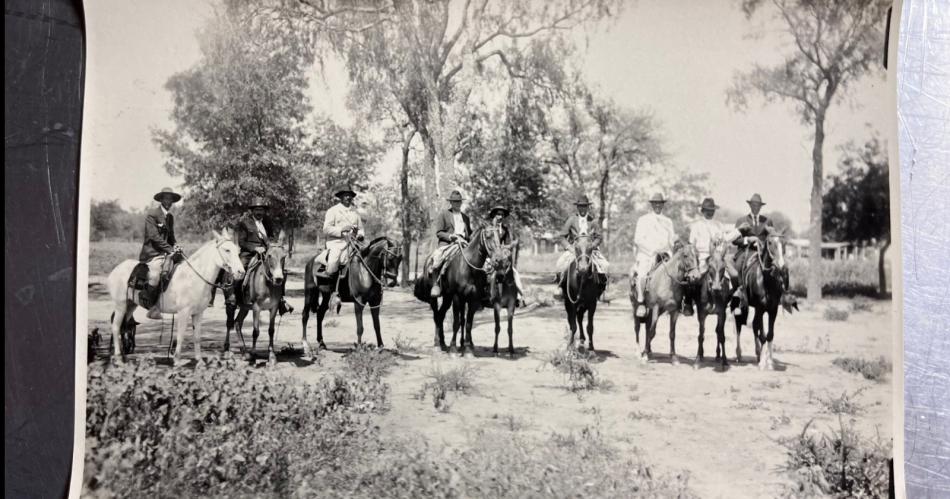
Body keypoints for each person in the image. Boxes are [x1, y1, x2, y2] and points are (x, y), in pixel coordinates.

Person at [235, 197, 292, 315]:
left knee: (281, 270)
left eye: (261, 210)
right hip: (249, 253)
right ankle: (237, 298)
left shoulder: (267, 222)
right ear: (252, 211)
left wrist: (273, 245)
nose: (259, 212)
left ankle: (280, 300)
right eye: (257, 209)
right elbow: (242, 242)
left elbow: (270, 237)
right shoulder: (244, 223)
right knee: (241, 270)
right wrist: (255, 248)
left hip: (266, 252)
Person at [686, 197, 741, 314]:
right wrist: (695, 259)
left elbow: (726, 239)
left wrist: (738, 231)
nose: (710, 212)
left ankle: (734, 303)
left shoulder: (719, 225)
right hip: (702, 257)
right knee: (692, 278)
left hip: (718, 257)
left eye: (712, 210)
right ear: (703, 210)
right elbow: (691, 245)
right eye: (707, 210)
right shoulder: (696, 226)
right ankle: (688, 302)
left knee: (735, 275)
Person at [138, 187, 184, 320]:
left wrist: (176, 245)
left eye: (171, 199)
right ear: (161, 199)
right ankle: (152, 307)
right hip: (152, 253)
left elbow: (171, 237)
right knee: (155, 275)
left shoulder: (170, 217)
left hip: (167, 252)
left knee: (183, 267)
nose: (169, 201)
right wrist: (170, 250)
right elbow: (154, 237)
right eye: (166, 198)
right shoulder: (152, 214)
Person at [552, 194, 609, 300]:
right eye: (580, 206)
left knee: (605, 265)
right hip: (575, 249)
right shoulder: (571, 220)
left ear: (588, 207)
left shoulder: (593, 221)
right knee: (560, 263)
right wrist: (569, 247)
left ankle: (603, 291)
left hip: (589, 250)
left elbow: (599, 237)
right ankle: (559, 287)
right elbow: (562, 236)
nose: (582, 208)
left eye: (584, 206)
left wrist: (593, 245)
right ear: (577, 207)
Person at [632, 193, 677, 318]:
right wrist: (652, 250)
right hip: (648, 254)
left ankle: (680, 302)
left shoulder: (668, 221)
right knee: (641, 275)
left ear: (663, 204)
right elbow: (638, 239)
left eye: (660, 203)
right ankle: (641, 302)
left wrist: (675, 242)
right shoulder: (643, 220)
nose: (658, 205)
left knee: (679, 274)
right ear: (651, 204)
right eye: (655, 203)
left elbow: (671, 240)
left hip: (665, 255)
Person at [732, 193, 777, 311]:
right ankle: (738, 294)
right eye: (754, 205)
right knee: (737, 266)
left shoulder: (768, 221)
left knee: (779, 265)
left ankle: (781, 293)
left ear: (761, 207)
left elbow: (772, 238)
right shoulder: (741, 220)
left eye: (758, 205)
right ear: (750, 205)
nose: (756, 207)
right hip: (746, 251)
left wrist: (770, 237)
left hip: (764, 253)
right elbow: (735, 240)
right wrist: (748, 239)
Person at [428, 190, 472, 298]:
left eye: (459, 202)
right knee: (438, 257)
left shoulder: (466, 218)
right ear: (451, 203)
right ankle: (436, 284)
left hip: (463, 243)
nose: (458, 204)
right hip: (448, 243)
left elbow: (469, 234)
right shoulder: (444, 214)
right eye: (455, 202)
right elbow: (439, 232)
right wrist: (451, 236)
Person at [322, 186, 365, 280]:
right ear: (341, 197)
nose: (348, 198)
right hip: (336, 243)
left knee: (367, 258)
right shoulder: (333, 211)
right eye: (345, 195)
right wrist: (341, 229)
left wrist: (360, 235)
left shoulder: (355, 212)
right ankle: (331, 287)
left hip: (353, 244)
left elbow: (361, 229)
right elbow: (326, 229)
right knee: (333, 262)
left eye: (350, 196)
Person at [487, 206, 526, 304]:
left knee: (514, 273)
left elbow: (507, 243)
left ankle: (519, 295)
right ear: (494, 215)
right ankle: (481, 297)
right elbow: (485, 244)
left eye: (502, 215)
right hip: (489, 256)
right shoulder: (488, 229)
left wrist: (508, 247)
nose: (500, 217)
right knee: (484, 273)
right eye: (498, 214)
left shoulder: (504, 229)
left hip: (500, 255)